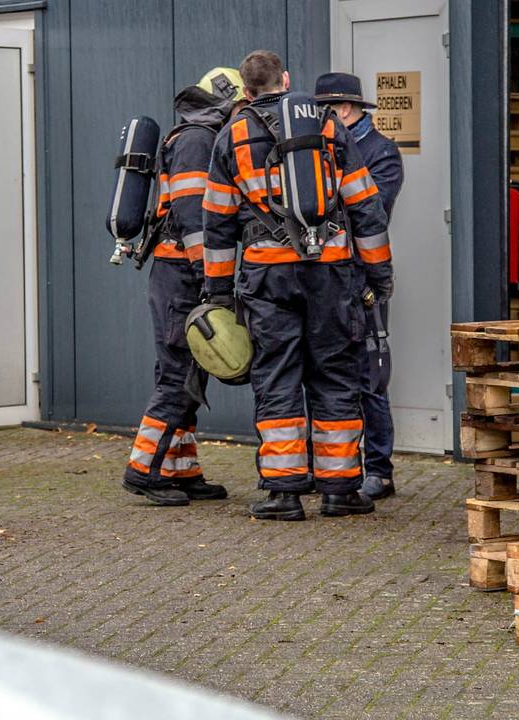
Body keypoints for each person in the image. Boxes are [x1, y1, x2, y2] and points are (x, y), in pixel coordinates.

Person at [201, 51, 394, 521]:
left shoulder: (232, 134)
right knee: (335, 374)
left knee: (277, 376)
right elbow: (364, 203)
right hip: (330, 270)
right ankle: (340, 490)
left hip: (267, 275)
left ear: (246, 90)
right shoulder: (326, 124)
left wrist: (219, 291)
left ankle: (284, 492)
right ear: (286, 80)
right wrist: (379, 274)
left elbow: (218, 221)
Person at [123, 68, 246, 506]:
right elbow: (195, 221)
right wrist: (210, 281)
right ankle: (143, 470)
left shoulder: (201, 136)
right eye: (240, 107)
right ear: (226, 102)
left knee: (192, 374)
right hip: (182, 274)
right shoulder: (197, 141)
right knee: (177, 375)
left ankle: (181, 468)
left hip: (180, 272)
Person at [315, 72, 405, 500]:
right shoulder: (317, 150)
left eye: (325, 111)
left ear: (345, 110)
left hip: (361, 277)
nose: (318, 119)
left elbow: (372, 212)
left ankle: (379, 470)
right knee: (327, 374)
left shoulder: (380, 153)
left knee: (370, 375)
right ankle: (335, 468)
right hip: (325, 277)